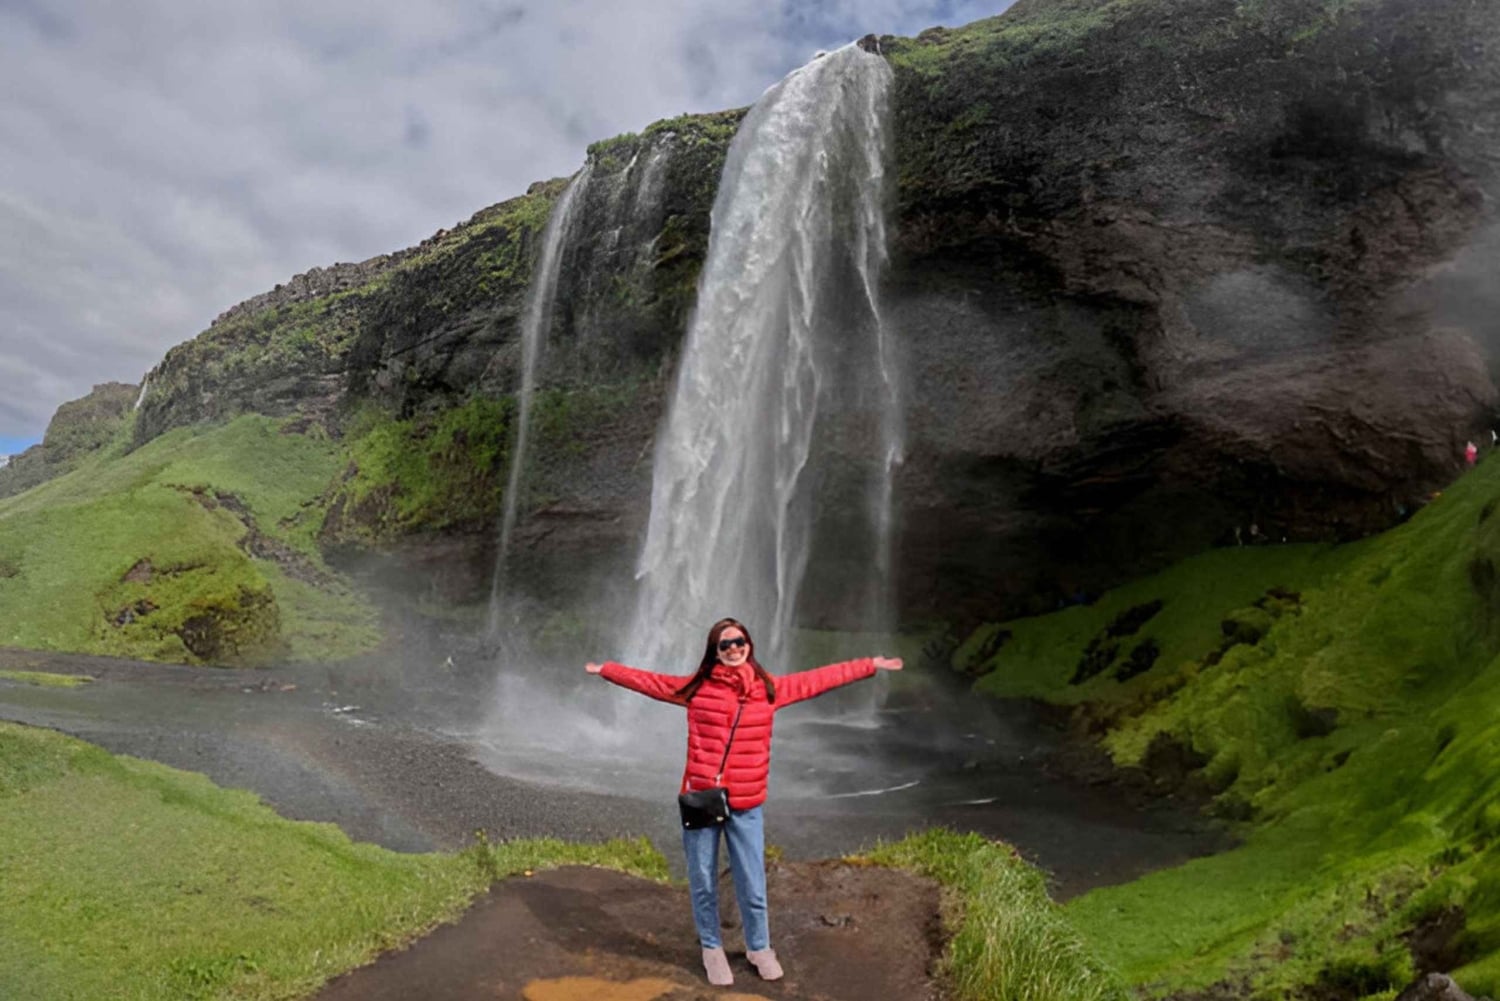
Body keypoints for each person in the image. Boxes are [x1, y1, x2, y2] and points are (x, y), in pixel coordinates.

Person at [585, 617, 902, 987]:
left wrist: (869, 665)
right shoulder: (696, 688)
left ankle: (760, 947)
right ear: (714, 651)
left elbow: (818, 679)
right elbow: (652, 682)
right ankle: (711, 949)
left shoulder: (769, 689)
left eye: (739, 642)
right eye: (725, 644)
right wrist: (607, 670)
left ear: (749, 645)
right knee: (703, 878)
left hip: (747, 803)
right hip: (703, 797)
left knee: (752, 880)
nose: (734, 649)